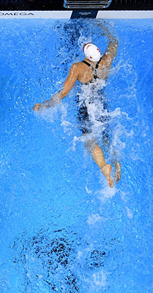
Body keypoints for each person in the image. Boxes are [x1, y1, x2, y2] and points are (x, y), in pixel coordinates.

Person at [33, 23, 121, 188]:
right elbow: (114, 42)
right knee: (106, 136)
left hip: (87, 107)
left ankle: (104, 167)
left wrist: (43, 106)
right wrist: (105, 28)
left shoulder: (78, 68)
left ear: (87, 55)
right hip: (101, 104)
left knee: (90, 140)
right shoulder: (106, 61)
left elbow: (63, 93)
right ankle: (116, 163)